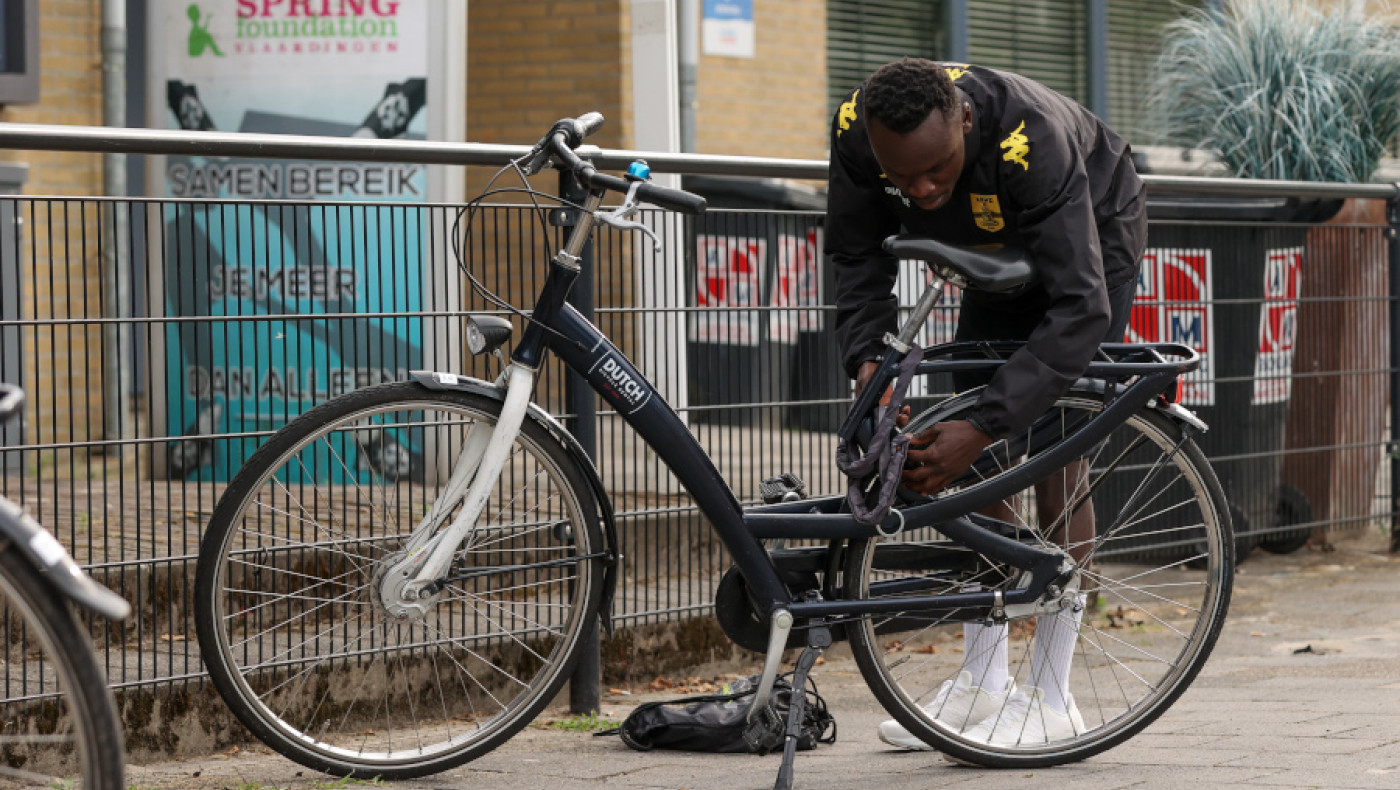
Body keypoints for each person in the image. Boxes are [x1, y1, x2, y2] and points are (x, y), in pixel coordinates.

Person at [825, 58, 1147, 748]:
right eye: (902, 179)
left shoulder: (1030, 139)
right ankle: (984, 682)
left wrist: (987, 422)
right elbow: (856, 257)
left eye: (936, 168)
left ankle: (1053, 696)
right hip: (988, 244)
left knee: (1059, 444)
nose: (922, 189)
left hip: (1089, 239)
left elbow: (1078, 306)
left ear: (964, 121)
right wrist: (868, 359)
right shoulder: (857, 132)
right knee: (966, 457)